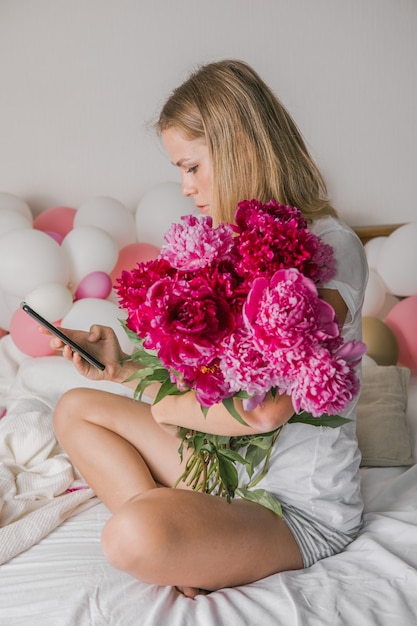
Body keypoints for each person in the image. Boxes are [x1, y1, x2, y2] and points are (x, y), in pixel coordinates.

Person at [50, 59, 368, 598]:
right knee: (74, 408)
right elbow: (211, 386)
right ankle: (189, 549)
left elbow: (265, 409)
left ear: (240, 147)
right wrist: (125, 368)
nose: (185, 187)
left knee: (131, 533)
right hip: (223, 464)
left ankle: (182, 544)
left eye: (192, 166)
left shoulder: (330, 249)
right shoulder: (224, 248)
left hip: (290, 505)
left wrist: (166, 411)